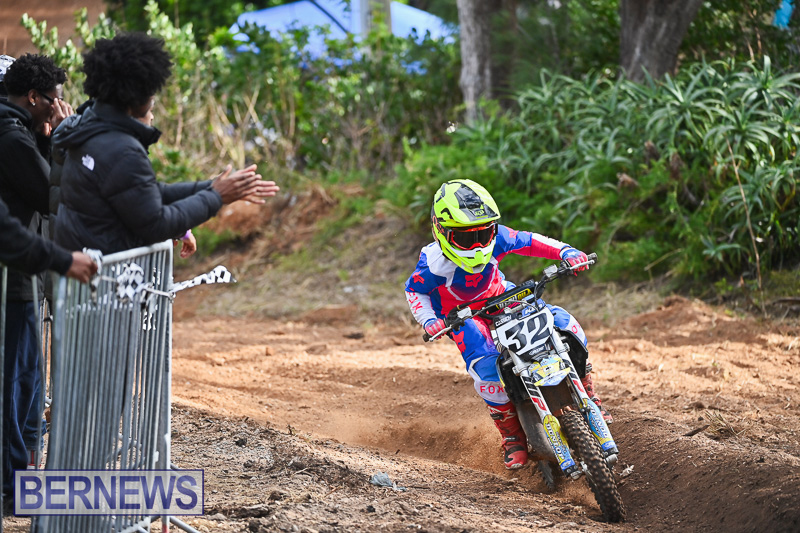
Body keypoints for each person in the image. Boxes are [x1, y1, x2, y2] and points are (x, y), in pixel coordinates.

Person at [404, 179, 611, 470]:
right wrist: (430, 321)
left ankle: (587, 393)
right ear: (442, 231)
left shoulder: (498, 236)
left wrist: (566, 252)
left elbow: (530, 241)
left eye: (483, 233)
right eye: (466, 238)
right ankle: (513, 437)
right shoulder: (433, 265)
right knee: (487, 369)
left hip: (503, 298)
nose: (477, 244)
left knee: (564, 323)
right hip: (464, 318)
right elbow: (414, 291)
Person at [52, 32, 280, 254]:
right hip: (106, 283)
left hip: (80, 276)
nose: (152, 105)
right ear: (135, 99)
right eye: (151, 97)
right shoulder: (121, 150)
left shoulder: (88, 129)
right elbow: (156, 224)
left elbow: (145, 193)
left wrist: (213, 186)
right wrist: (216, 197)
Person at [0, 53, 78, 500]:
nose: (59, 106)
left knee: (26, 377)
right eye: (55, 99)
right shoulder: (11, 139)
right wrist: (59, 139)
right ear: (33, 97)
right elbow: (49, 193)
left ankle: (20, 475)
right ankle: (13, 485)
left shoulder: (19, 132)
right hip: (12, 278)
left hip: (19, 275)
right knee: (15, 381)